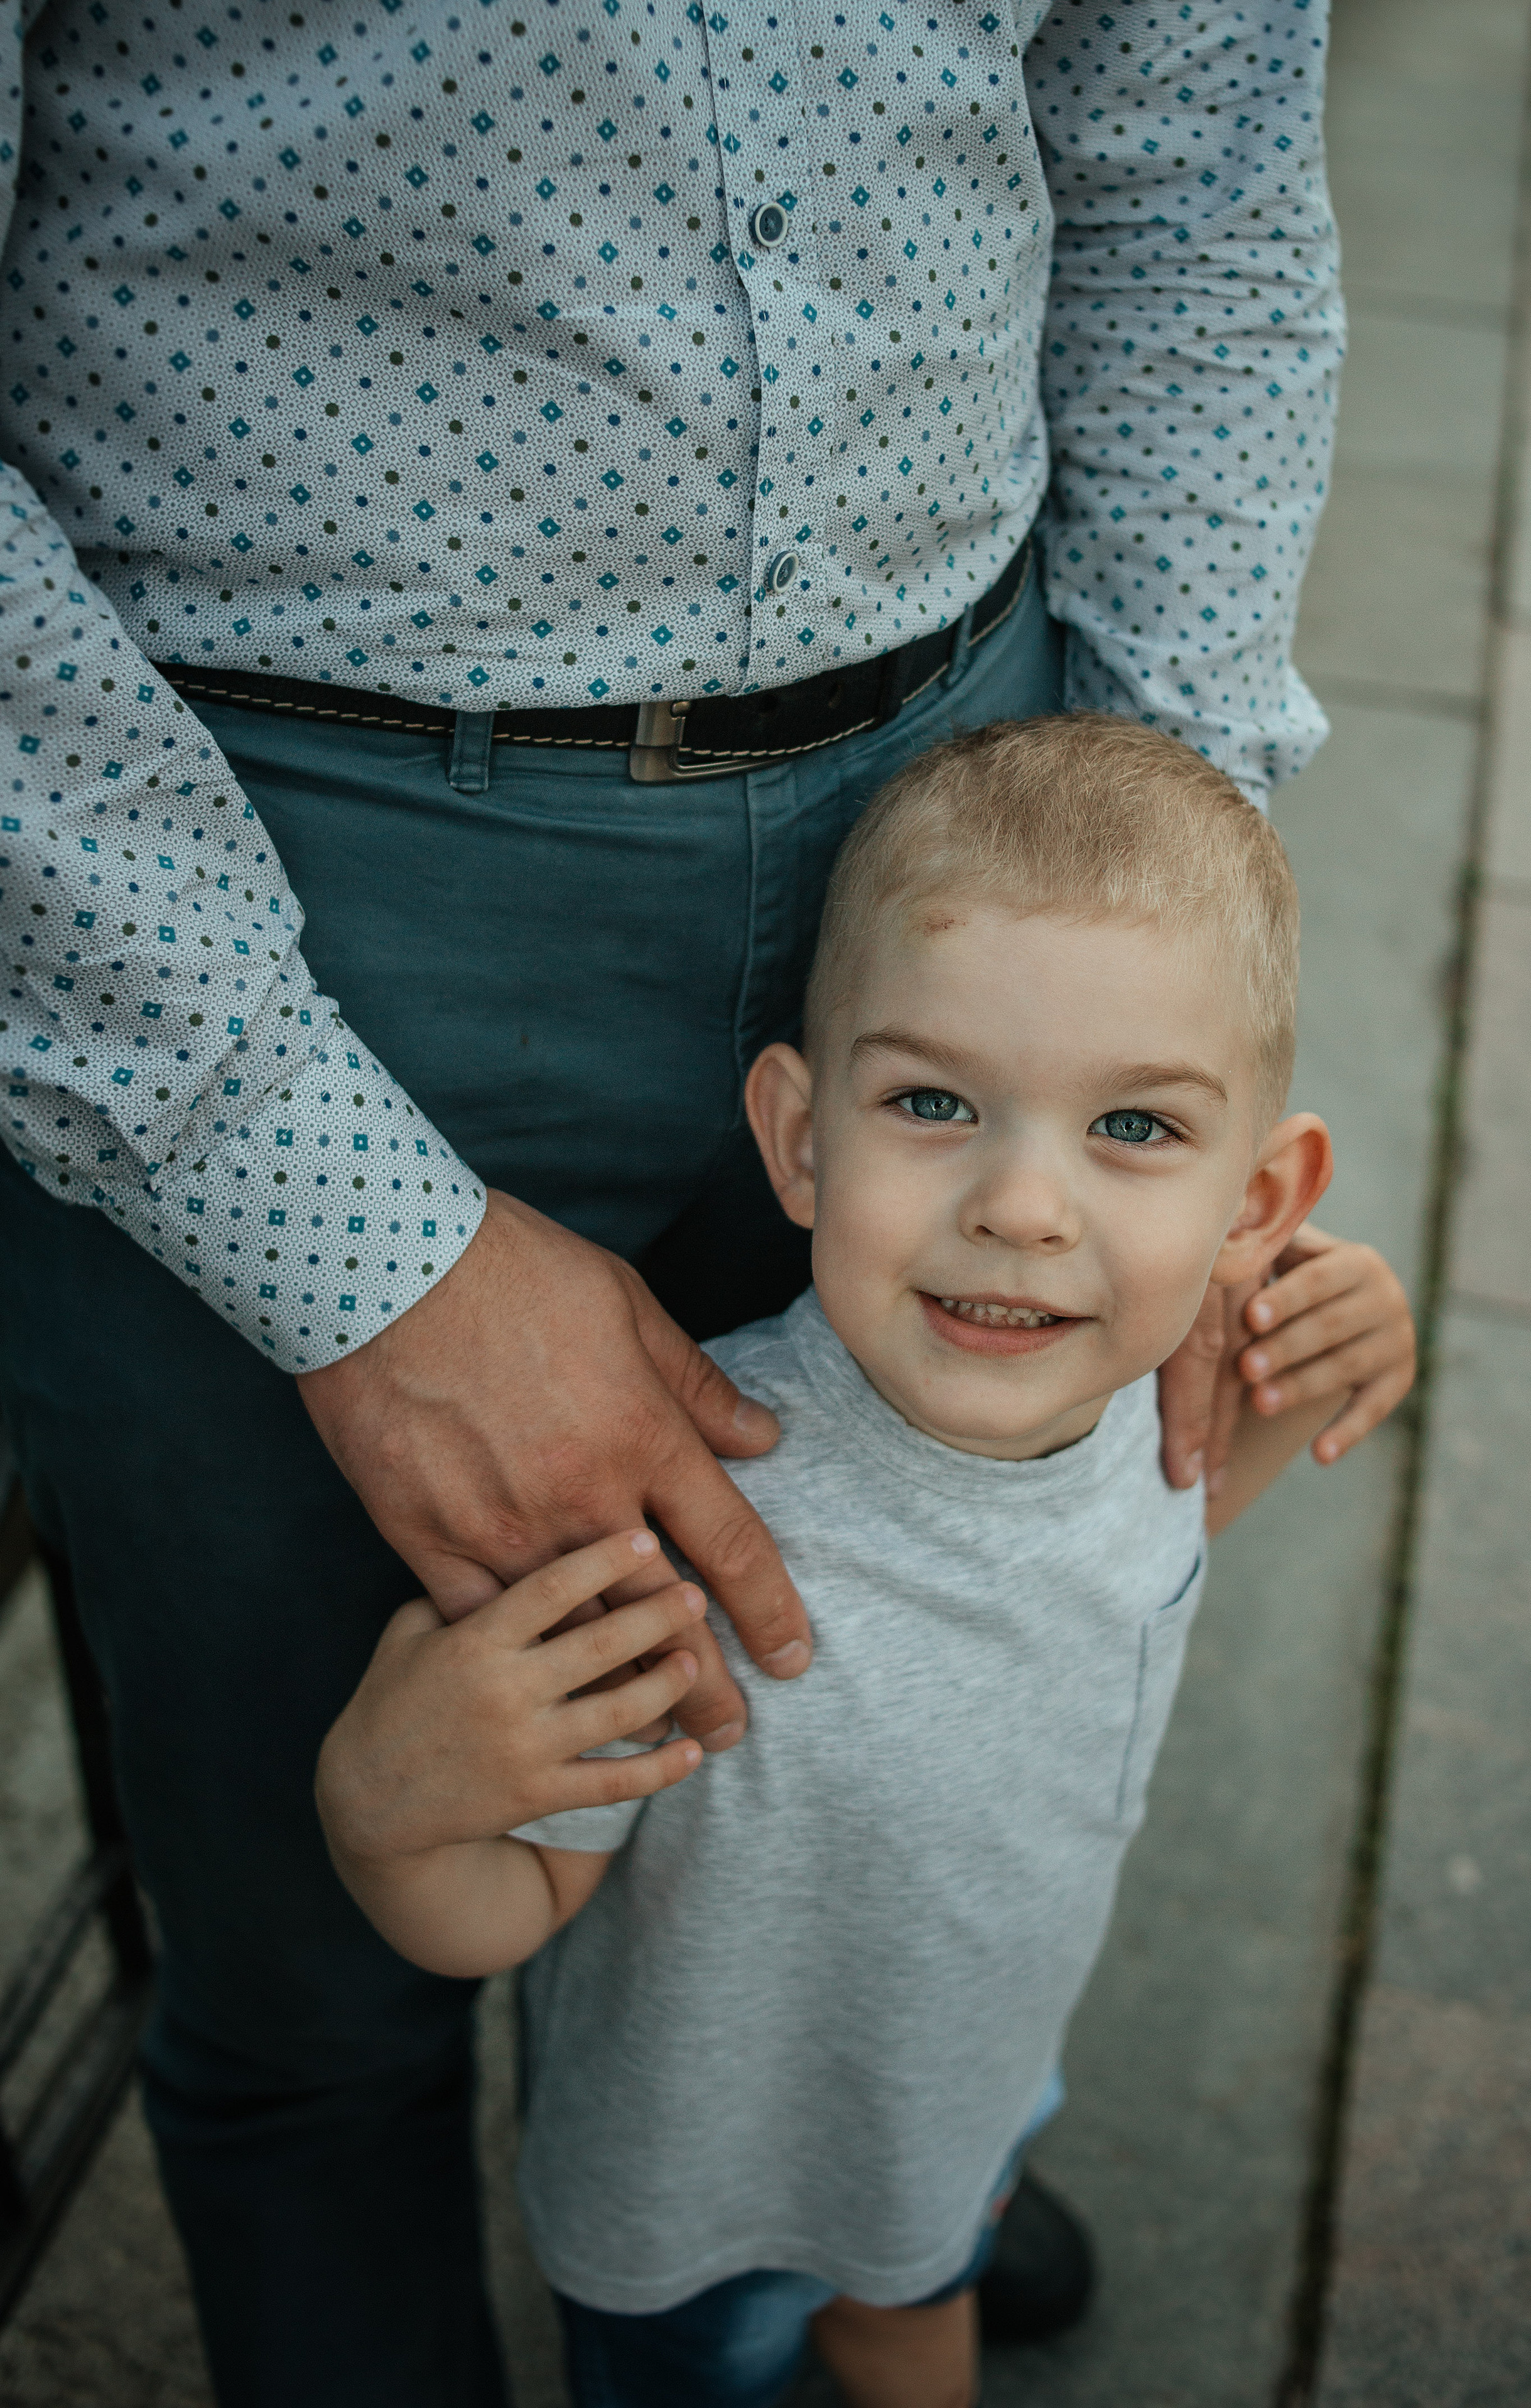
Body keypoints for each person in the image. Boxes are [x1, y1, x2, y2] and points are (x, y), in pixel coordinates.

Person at [0, 6, 1354, 2397]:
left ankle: (868, 2158)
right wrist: (331, 1227)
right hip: (283, 852)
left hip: (983, 780)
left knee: (937, 1605)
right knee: (328, 1964)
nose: (1047, 1219)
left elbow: (1193, 165)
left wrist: (1167, 920)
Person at [316, 715, 1417, 2408]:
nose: (1026, 1204)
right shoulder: (689, 1510)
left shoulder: (1140, 1412)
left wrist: (1349, 1341)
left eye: (1133, 1128)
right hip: (704, 2197)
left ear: (1261, 1200)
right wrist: (384, 1811)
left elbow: (1165, 1532)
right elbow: (517, 1901)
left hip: (962, 2093)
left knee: (918, 2320)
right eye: (931, 1101)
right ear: (802, 1135)